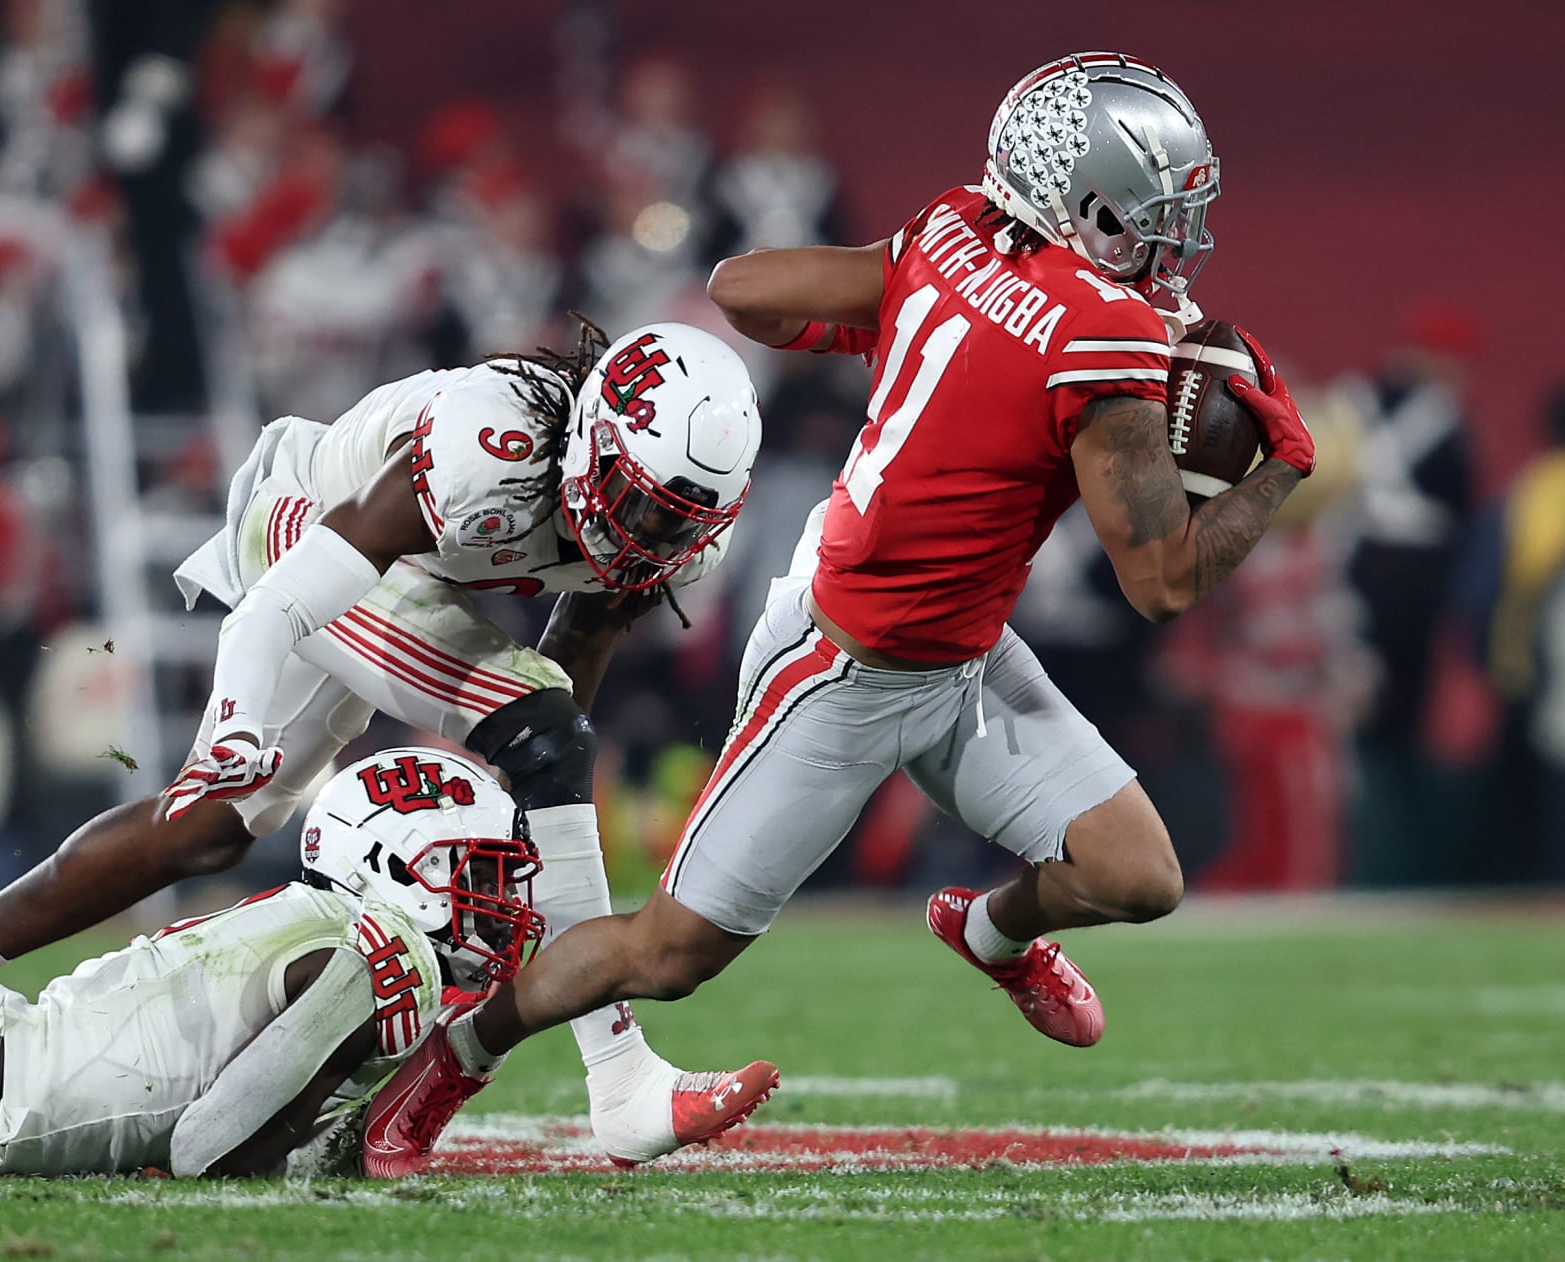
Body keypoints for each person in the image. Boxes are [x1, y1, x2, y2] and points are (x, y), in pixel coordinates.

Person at [358, 51, 1319, 1175]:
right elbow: (1161, 581)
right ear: (1085, 206)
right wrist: (1284, 464)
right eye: (1154, 218)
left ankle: (990, 928)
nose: (1173, 247)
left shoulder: (956, 231)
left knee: (1137, 874)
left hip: (960, 649)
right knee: (666, 952)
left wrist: (916, 323)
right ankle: (436, 1071)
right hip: (842, 668)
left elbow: (740, 287)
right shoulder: (1098, 335)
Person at [0, 319, 775, 1165]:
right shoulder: (483, 447)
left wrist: (535, 775)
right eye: (638, 502)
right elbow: (280, 605)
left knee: (206, 833)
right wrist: (237, 722)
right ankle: (619, 1076)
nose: (646, 534)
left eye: (673, 520)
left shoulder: (673, 527)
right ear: (590, 442)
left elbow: (574, 654)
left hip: (405, 587)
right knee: (525, 735)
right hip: (304, 532)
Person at [0, 748, 542, 1179]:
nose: (496, 899)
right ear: (397, 862)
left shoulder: (338, 929)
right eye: (476, 872)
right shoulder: (377, 951)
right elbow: (212, 1149)